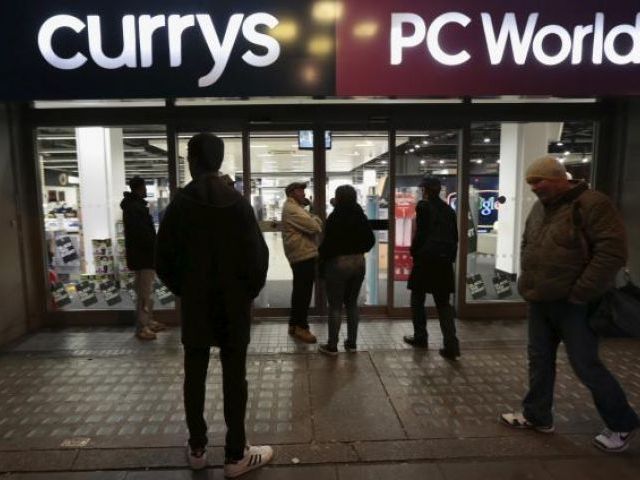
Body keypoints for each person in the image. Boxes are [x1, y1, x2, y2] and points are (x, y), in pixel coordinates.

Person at [500, 155, 639, 452]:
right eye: (530, 183)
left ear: (559, 177)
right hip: (540, 300)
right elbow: (528, 243)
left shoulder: (593, 204)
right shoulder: (540, 208)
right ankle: (537, 415)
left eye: (540, 181)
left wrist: (581, 292)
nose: (535, 187)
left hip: (575, 304)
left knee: (586, 365)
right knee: (539, 360)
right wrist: (527, 283)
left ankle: (622, 423)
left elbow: (612, 252)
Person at [155, 133, 273, 476]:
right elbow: (258, 256)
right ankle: (236, 454)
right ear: (219, 160)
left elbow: (163, 258)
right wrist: (245, 293)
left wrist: (185, 289)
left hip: (195, 304)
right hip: (233, 305)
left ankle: (197, 448)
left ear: (192, 161)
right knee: (235, 377)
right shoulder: (238, 203)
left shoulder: (179, 204)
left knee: (195, 373)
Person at [403, 175, 460, 360]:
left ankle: (420, 336)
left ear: (425, 190)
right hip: (444, 262)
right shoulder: (448, 210)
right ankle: (451, 345)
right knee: (443, 304)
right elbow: (455, 237)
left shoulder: (423, 206)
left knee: (417, 298)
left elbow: (421, 233)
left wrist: (414, 251)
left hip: (426, 260)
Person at [317, 185, 375, 355]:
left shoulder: (335, 217)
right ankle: (351, 344)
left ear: (339, 198)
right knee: (351, 304)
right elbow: (370, 240)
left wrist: (324, 256)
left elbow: (327, 245)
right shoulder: (360, 215)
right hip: (358, 263)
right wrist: (358, 250)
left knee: (335, 306)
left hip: (338, 264)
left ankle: (332, 346)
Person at [120, 176, 165, 340]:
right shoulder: (136, 208)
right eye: (144, 187)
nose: (146, 190)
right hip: (143, 257)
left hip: (140, 256)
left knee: (145, 291)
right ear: (139, 188)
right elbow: (143, 234)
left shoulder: (134, 206)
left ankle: (148, 320)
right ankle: (142, 327)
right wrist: (155, 247)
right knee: (144, 292)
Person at [281, 181, 323, 343]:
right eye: (300, 191)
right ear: (292, 193)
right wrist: (315, 218)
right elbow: (315, 227)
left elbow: (312, 223)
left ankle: (293, 324)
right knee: (303, 293)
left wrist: (311, 213)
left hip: (302, 253)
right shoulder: (292, 209)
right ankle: (302, 327)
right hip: (302, 254)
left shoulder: (296, 208)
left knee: (299, 291)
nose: (304, 194)